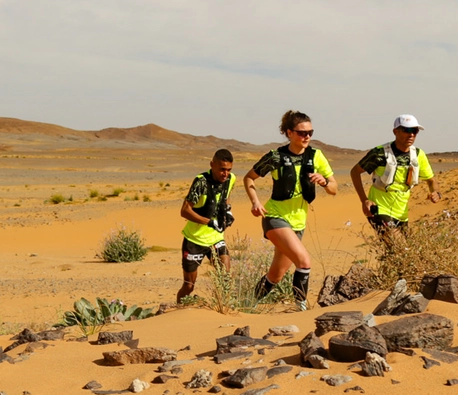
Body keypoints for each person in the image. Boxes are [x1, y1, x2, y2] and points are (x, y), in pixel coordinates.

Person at [243, 110, 337, 309]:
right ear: (289, 133)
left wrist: (324, 182)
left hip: (298, 223)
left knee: (276, 275)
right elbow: (249, 177)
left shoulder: (316, 156)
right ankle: (301, 309)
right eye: (302, 133)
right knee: (303, 261)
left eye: (310, 132)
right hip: (275, 217)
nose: (307, 137)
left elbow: (334, 189)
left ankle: (246, 304)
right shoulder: (276, 157)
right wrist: (255, 202)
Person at [350, 114, 441, 236]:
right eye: (406, 130)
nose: (411, 135)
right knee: (400, 247)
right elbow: (355, 172)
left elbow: (431, 180)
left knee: (403, 253)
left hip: (402, 214)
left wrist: (436, 192)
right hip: (379, 209)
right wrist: (364, 200)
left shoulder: (418, 155)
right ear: (395, 131)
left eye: (415, 131)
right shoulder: (380, 153)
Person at [177, 148, 236, 302]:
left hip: (216, 238)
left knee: (225, 277)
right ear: (212, 165)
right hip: (194, 240)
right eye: (222, 169)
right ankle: (177, 311)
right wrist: (209, 222)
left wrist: (228, 211)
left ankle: (222, 309)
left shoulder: (231, 179)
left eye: (229, 170)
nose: (225, 174)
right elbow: (184, 211)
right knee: (189, 286)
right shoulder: (201, 182)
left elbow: (226, 197)